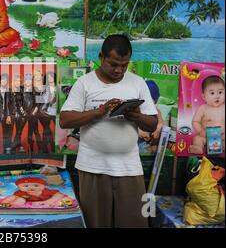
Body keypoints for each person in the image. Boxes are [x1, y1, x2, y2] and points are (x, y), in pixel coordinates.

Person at [60, 34, 158, 228]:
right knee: (95, 223)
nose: (119, 70)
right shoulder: (84, 83)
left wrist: (136, 116)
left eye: (124, 64)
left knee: (135, 223)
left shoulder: (138, 83)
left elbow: (152, 124)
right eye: (113, 64)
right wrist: (100, 111)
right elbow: (65, 120)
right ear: (101, 57)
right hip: (92, 166)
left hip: (129, 167)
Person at [189, 75, 225, 154]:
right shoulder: (203, 108)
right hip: (206, 136)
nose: (217, 96)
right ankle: (198, 148)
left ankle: (222, 146)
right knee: (197, 139)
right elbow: (195, 121)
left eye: (220, 92)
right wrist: (200, 131)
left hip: (222, 136)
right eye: (212, 93)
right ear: (204, 96)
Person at [1, 176, 73, 207]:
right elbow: (13, 197)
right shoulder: (20, 193)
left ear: (44, 186)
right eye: (26, 186)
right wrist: (15, 201)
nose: (31, 188)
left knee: (66, 199)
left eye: (36, 186)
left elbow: (59, 195)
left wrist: (48, 202)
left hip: (48, 201)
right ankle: (3, 205)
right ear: (18, 187)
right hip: (29, 203)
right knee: (17, 199)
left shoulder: (46, 191)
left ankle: (59, 206)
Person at [138, 80, 164, 153]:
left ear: (155, 101)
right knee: (142, 148)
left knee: (158, 149)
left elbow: (161, 122)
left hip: (152, 140)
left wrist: (158, 129)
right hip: (138, 141)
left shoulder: (156, 111)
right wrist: (140, 131)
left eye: (151, 100)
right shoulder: (137, 110)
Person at [0, 73, 13, 154]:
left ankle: (7, 150)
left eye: (6, 80)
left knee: (7, 134)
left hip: (6, 114)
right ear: (0, 80)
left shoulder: (9, 90)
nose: (4, 81)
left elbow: (12, 104)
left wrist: (9, 115)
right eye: (3, 79)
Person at [23, 73, 41, 153]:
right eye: (26, 80)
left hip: (34, 114)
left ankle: (40, 148)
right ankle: (31, 149)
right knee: (29, 132)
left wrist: (34, 111)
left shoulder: (36, 89)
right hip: (24, 114)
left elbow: (39, 102)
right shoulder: (21, 90)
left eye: (29, 80)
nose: (28, 82)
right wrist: (24, 113)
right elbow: (18, 101)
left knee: (35, 131)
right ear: (24, 81)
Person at [10, 74, 26, 153]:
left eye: (19, 81)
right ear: (13, 81)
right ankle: (15, 146)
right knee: (13, 132)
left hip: (21, 114)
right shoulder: (10, 90)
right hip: (12, 114)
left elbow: (23, 102)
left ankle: (16, 146)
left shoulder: (21, 90)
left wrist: (23, 110)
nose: (18, 83)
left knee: (19, 131)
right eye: (16, 81)